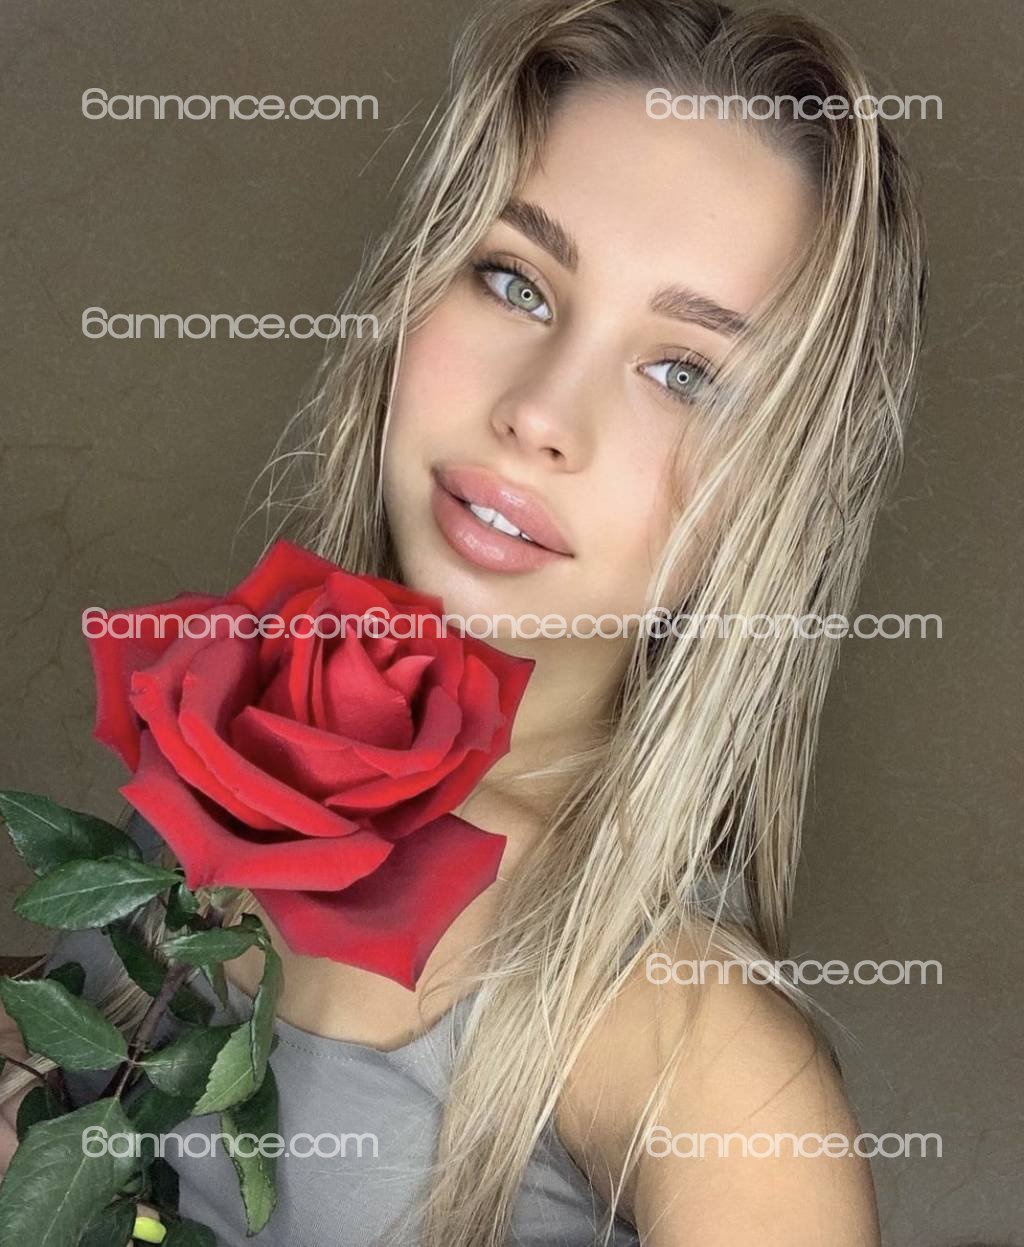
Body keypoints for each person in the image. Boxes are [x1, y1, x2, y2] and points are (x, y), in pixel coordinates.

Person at [0, 0, 927, 1243]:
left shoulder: (706, 1057)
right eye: (515, 280)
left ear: (779, 489)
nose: (539, 411)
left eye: (685, 372)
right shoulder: (225, 733)